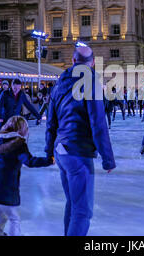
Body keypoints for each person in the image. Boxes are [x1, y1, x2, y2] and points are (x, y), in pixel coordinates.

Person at [46, 44, 116, 236]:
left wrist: (48, 152)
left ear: (74, 60)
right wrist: (108, 158)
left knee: (73, 205)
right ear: (92, 63)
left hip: (61, 151)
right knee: (83, 211)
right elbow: (98, 123)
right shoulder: (91, 81)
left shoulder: (60, 83)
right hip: (78, 153)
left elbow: (51, 122)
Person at [0, 116, 54, 236]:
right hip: (5, 189)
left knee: (2, 215)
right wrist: (49, 160)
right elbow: (29, 161)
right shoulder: (18, 144)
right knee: (14, 219)